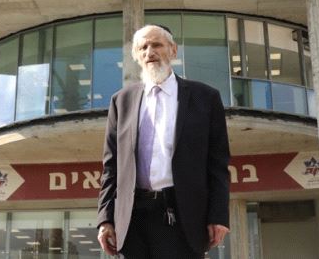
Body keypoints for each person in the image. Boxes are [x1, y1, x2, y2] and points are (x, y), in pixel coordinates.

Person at [97, 24, 230, 258]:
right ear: (137, 56)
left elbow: (217, 164)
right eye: (143, 47)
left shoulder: (205, 98)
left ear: (173, 50)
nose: (150, 52)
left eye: (156, 44)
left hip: (182, 215)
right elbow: (111, 167)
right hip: (133, 218)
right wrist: (105, 219)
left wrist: (218, 215)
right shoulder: (121, 101)